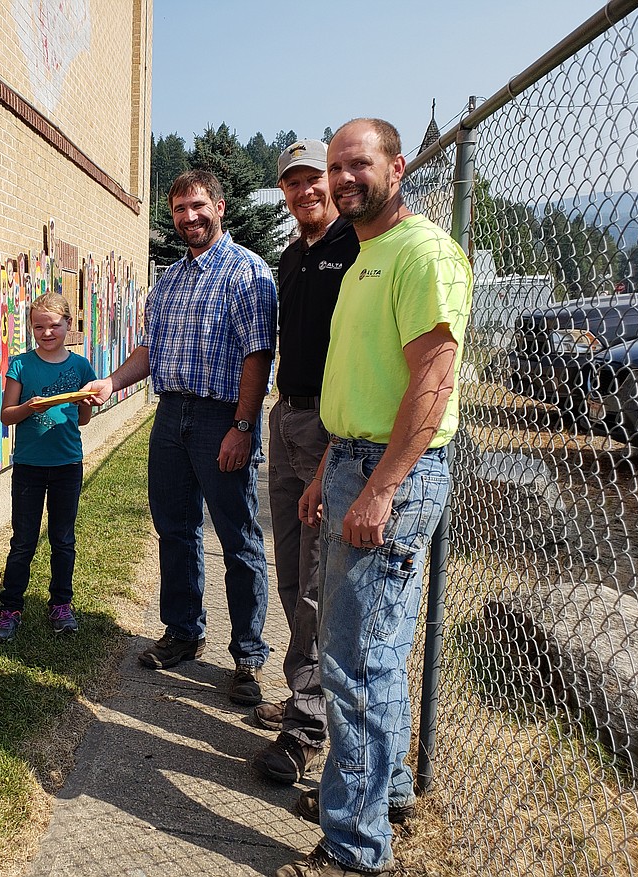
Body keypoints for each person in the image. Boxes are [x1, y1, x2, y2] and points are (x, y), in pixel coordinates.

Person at [278, 119, 472, 877]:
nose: (340, 178)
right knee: (375, 658)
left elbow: (433, 383)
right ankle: (378, 794)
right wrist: (331, 470)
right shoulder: (367, 252)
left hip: (394, 473)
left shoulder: (421, 253)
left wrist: (381, 487)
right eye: (334, 166)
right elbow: (365, 382)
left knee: (352, 668)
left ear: (397, 166)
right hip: (353, 460)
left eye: (358, 163)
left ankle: (354, 849)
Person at [86, 169, 276, 705]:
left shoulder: (249, 273)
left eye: (198, 206)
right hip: (171, 417)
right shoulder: (167, 282)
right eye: (178, 209)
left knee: (238, 539)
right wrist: (112, 382)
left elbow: (256, 357)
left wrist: (242, 426)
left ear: (220, 206)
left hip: (221, 418)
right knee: (175, 527)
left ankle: (247, 656)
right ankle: (183, 632)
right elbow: (151, 352)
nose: (188, 218)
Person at [252, 140, 359, 785]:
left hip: (329, 423)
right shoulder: (291, 258)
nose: (302, 194)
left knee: (321, 576)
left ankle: (307, 727)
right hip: (286, 416)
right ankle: (304, 694)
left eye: (311, 181)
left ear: (333, 180)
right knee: (291, 566)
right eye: (291, 186)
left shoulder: (356, 248)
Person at [0, 292, 97, 642]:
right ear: (31, 328)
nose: (47, 332)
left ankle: (61, 604)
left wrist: (84, 401)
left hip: (68, 463)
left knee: (63, 538)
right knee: (23, 540)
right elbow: (6, 415)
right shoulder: (21, 364)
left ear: (69, 324)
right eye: (39, 326)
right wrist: (28, 409)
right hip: (29, 465)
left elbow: (82, 419)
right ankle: (10, 607)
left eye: (55, 325)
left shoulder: (81, 366)